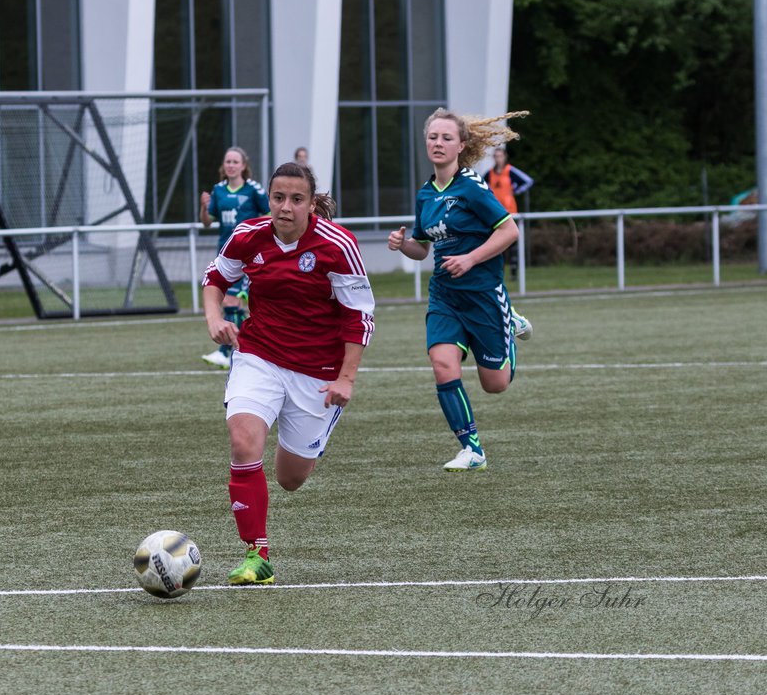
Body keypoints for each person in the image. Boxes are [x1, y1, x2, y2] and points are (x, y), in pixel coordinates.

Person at [202, 161, 375, 585]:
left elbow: (360, 318)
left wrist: (346, 379)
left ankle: (309, 438)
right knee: (243, 440)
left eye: (296, 199)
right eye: (278, 197)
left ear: (311, 204)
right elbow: (214, 278)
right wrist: (214, 321)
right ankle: (256, 555)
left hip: (318, 372)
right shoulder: (248, 235)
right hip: (258, 355)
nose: (285, 207)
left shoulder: (338, 245)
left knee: (290, 479)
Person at [388, 108, 531, 472]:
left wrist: (469, 259)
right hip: (445, 296)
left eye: (446, 138)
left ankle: (508, 322)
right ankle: (472, 449)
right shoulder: (425, 194)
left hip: (483, 293)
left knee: (495, 384)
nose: (438, 143)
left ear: (461, 145)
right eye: (433, 137)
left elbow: (509, 231)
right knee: (442, 364)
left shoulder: (472, 187)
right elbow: (422, 248)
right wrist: (403, 244)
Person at [199, 146, 269, 369]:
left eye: (235, 162)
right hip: (226, 253)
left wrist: (257, 233)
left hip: (249, 254)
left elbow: (270, 213)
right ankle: (240, 350)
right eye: (227, 161)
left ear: (243, 166)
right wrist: (203, 208)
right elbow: (207, 222)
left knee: (232, 301)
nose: (231, 165)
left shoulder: (253, 190)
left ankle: (228, 351)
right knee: (236, 305)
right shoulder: (218, 191)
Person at [485, 146, 533, 215]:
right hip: (495, 207)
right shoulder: (490, 173)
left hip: (509, 208)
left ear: (505, 156)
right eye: (496, 156)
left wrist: (516, 191)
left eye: (500, 156)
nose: (498, 159)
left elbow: (528, 181)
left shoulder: (510, 170)